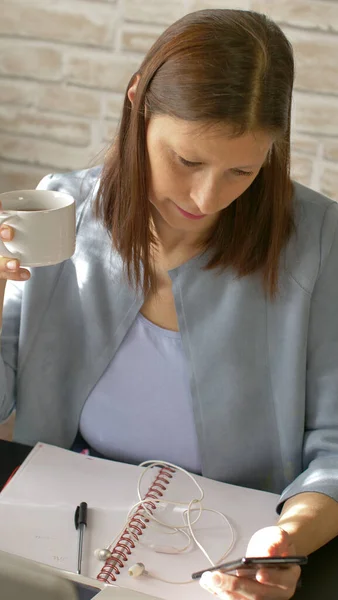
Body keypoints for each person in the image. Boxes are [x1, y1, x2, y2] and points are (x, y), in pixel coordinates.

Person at [0, 8, 338, 599]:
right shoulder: (61, 212)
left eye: (242, 170)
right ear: (138, 99)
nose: (209, 198)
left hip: (237, 545)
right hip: (74, 519)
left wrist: (287, 540)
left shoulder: (319, 240)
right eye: (188, 161)